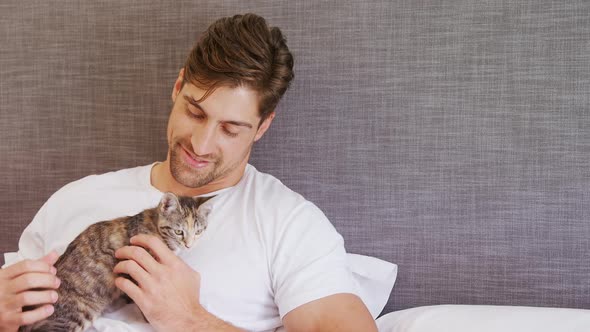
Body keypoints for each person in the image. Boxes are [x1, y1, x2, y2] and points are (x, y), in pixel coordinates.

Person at [0, 13, 377, 332]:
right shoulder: (75, 198)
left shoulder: (288, 224)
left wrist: (190, 319)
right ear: (178, 87)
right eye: (195, 112)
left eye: (230, 129)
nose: (200, 143)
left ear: (262, 127)